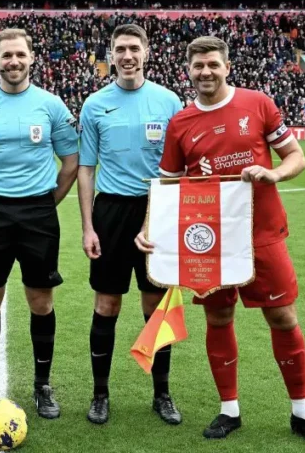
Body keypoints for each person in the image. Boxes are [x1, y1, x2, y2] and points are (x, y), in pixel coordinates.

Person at [137, 36, 305, 450]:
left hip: (262, 234)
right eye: (198, 66)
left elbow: (296, 156)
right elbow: (170, 184)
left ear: (227, 66)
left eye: (213, 64)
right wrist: (149, 227)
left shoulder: (258, 104)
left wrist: (274, 175)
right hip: (210, 242)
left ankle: (303, 411)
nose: (206, 71)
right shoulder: (181, 123)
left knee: (282, 317)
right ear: (188, 71)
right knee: (219, 320)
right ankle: (229, 409)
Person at [0, 28, 79, 419]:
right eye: (7, 56)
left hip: (38, 213)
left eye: (20, 55)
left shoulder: (52, 105)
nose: (14, 62)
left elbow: (70, 163)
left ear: (31, 57)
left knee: (41, 300)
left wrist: (44, 203)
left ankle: (43, 385)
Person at [77, 24, 184, 426]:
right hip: (110, 214)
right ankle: (100, 394)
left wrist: (158, 216)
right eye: (120, 49)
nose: (127, 55)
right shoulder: (95, 104)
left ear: (146, 52)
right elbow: (86, 169)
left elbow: (180, 167)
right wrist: (88, 227)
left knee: (155, 305)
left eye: (134, 48)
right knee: (107, 303)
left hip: (157, 209)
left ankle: (162, 394)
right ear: (111, 54)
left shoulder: (168, 101)